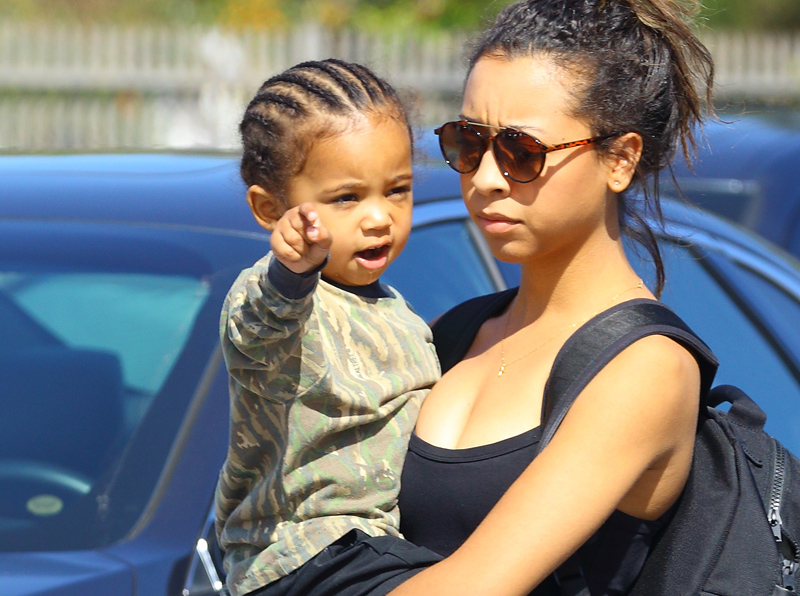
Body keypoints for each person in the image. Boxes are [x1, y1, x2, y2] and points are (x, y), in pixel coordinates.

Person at [389, 1, 716, 595]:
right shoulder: (453, 332)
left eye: (522, 151)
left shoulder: (646, 369)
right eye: (468, 142)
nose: (485, 177)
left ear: (620, 159)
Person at [214, 58, 443, 596]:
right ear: (270, 209)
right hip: (304, 554)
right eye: (346, 197)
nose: (379, 217)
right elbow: (260, 330)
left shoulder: (400, 313)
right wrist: (292, 271)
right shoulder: (279, 296)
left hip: (376, 550)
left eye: (397, 189)